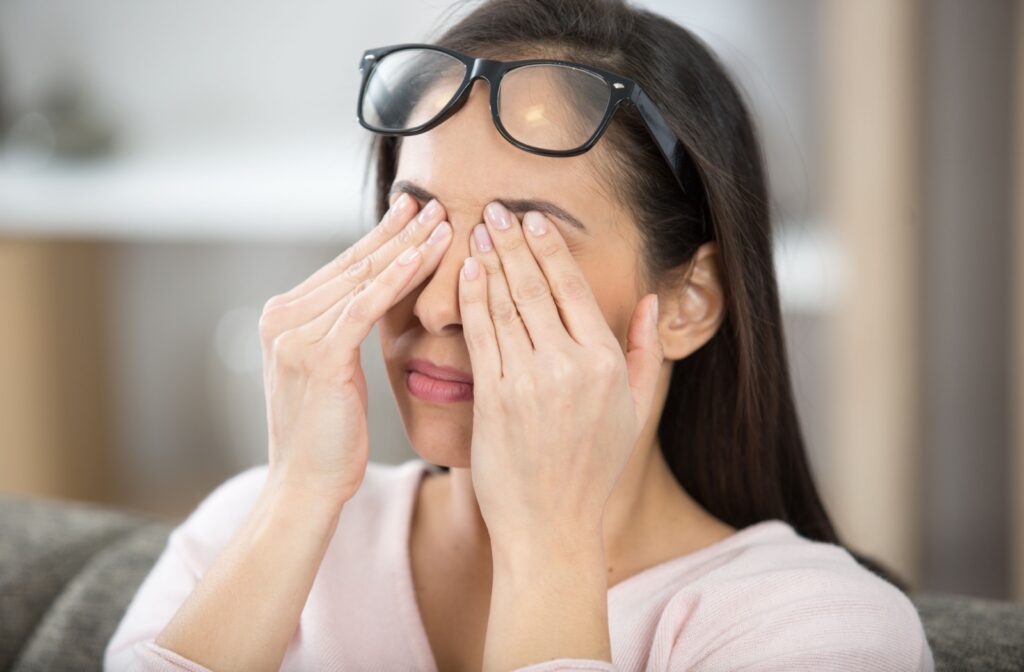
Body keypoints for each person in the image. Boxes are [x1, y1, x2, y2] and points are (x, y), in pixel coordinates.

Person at [104, 0, 935, 670]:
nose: (435, 308)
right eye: (416, 220)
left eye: (519, 239)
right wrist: (297, 498)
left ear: (688, 301)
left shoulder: (813, 628)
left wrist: (548, 547)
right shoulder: (253, 525)